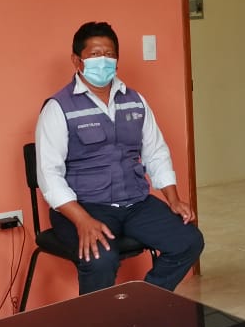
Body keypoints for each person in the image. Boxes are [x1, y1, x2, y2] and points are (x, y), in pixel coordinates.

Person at [35, 21, 204, 294]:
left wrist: (173, 199)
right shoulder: (58, 108)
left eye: (109, 54)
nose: (103, 60)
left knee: (189, 241)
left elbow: (156, 151)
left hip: (135, 203)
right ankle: (97, 321)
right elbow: (49, 174)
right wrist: (81, 219)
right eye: (94, 54)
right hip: (84, 205)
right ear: (77, 60)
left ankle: (142, 303)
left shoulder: (135, 101)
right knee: (100, 259)